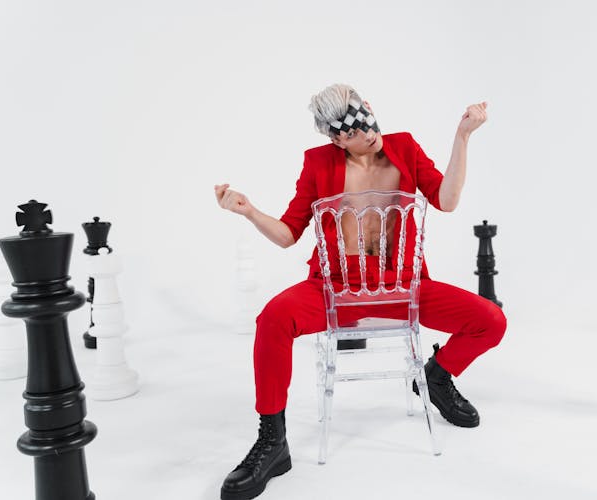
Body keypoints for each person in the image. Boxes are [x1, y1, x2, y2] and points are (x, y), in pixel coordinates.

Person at [214, 84, 507, 500]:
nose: (365, 134)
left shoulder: (404, 147)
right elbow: (287, 234)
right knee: (273, 319)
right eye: (350, 132)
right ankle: (272, 441)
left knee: (490, 321)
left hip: (404, 286)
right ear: (334, 139)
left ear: (369, 108)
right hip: (337, 287)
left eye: (365, 121)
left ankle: (436, 377)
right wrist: (249, 211)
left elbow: (447, 200)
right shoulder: (317, 163)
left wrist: (462, 136)